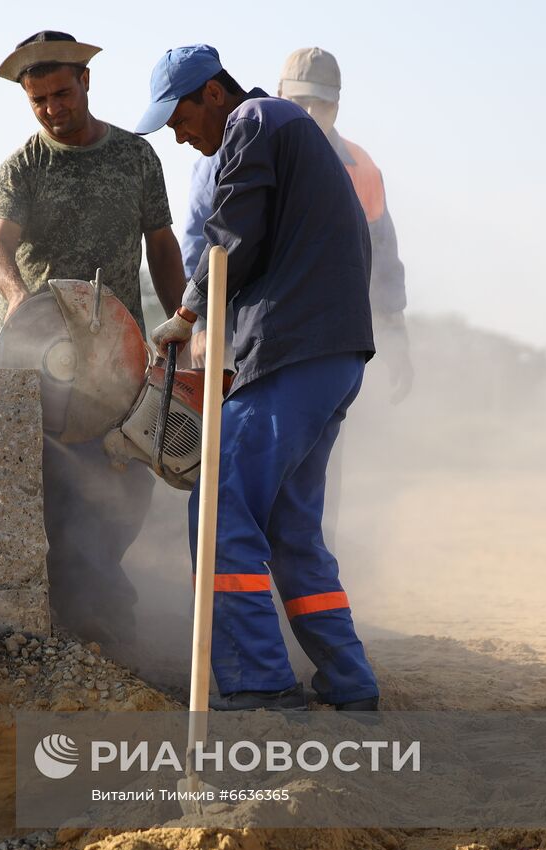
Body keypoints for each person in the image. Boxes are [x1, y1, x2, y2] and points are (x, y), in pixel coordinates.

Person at [135, 44, 379, 711]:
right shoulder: (293, 135)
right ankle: (350, 683)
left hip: (295, 353)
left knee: (217, 507)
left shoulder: (254, 124)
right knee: (293, 529)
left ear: (214, 94)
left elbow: (229, 239)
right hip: (334, 357)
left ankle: (260, 685)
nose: (181, 137)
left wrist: (185, 314)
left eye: (180, 119)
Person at [0, 30, 187, 647]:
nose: (53, 108)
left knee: (123, 474)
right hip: (38, 357)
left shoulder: (134, 158)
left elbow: (161, 243)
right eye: (39, 99)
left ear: (86, 83)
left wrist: (184, 319)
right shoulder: (23, 166)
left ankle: (99, 604)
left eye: (61, 93)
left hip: (114, 356)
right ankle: (75, 611)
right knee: (47, 481)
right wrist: (17, 297)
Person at [180, 48, 412, 402]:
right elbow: (207, 241)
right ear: (280, 93)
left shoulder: (361, 168)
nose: (310, 112)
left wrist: (395, 333)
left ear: (337, 104)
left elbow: (382, 256)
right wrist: (202, 322)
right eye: (301, 100)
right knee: (235, 441)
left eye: (322, 104)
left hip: (332, 340)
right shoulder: (230, 147)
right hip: (251, 335)